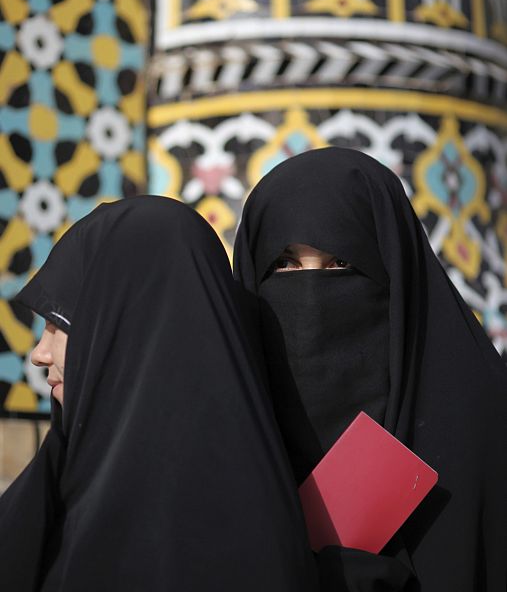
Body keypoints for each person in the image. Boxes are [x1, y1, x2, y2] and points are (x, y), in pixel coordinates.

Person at [0, 196, 319, 592]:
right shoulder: (48, 490)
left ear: (128, 330)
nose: (38, 354)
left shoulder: (233, 539)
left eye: (59, 323)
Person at [233, 147, 507, 592]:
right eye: (283, 265)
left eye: (341, 263)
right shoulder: (217, 448)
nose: (311, 295)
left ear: (393, 273)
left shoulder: (485, 432)